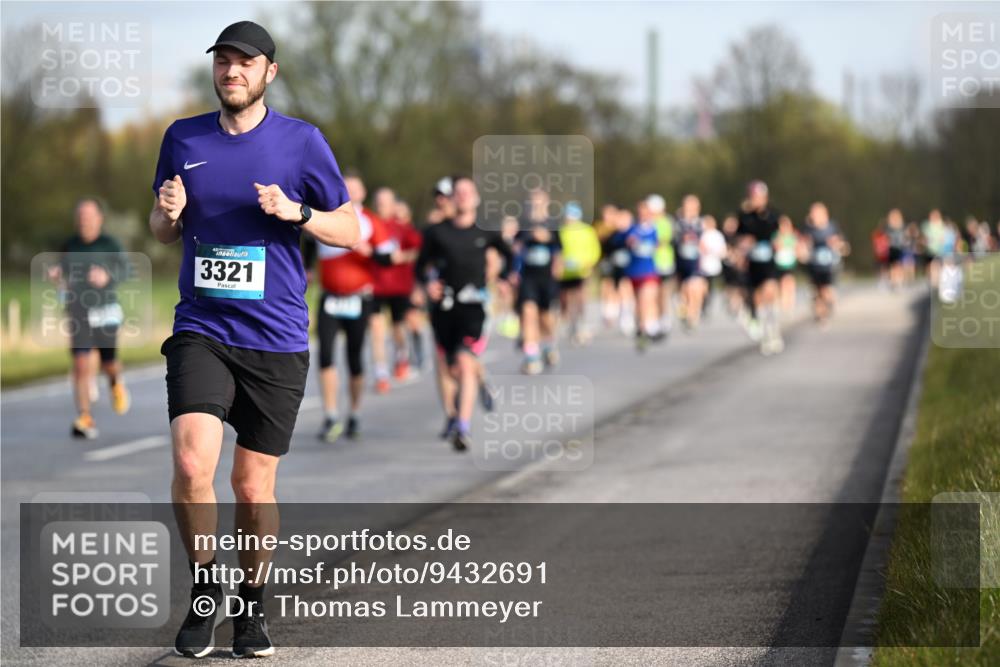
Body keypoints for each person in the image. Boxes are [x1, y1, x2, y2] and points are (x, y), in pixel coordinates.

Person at [150, 22, 359, 658]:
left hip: (276, 336)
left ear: (270, 72)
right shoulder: (182, 137)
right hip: (202, 328)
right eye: (223, 61)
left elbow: (350, 228)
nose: (231, 71)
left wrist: (297, 213)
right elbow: (161, 229)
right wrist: (167, 212)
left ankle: (250, 608)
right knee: (191, 464)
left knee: (251, 486)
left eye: (246, 62)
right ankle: (205, 591)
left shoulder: (301, 142)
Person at [415, 176, 513, 451]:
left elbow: (510, 256)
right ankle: (475, 390)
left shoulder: (487, 231)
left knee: (464, 361)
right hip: (444, 308)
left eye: (468, 192)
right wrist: (427, 285)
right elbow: (421, 267)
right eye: (458, 193)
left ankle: (462, 426)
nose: (463, 197)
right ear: (451, 198)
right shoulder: (436, 232)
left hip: (475, 307)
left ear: (477, 197)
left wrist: (505, 278)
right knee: (449, 367)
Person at [311, 172, 391, 440]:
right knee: (325, 356)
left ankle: (354, 413)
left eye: (355, 188)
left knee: (354, 358)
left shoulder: (372, 222)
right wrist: (307, 269)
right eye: (346, 187)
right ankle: (331, 415)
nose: (350, 191)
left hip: (359, 297)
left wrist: (368, 251)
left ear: (363, 193)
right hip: (330, 296)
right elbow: (310, 243)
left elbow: (387, 259)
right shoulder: (325, 214)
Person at [51, 198, 131, 439]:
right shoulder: (70, 245)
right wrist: (57, 277)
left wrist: (107, 276)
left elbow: (126, 270)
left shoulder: (110, 244)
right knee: (80, 364)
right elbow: (64, 277)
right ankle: (85, 416)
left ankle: (115, 382)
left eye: (89, 217)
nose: (84, 222)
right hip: (79, 311)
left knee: (108, 363)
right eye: (80, 217)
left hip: (106, 310)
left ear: (99, 219)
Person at [370, 187, 423, 389]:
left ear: (393, 204)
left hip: (399, 286)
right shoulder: (371, 224)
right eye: (379, 201)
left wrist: (403, 257)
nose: (382, 205)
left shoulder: (402, 227)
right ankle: (381, 373)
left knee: (397, 327)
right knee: (376, 328)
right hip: (375, 286)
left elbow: (420, 250)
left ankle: (402, 357)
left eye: (386, 201)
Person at [514, 188, 562, 374]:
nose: (536, 205)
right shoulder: (523, 223)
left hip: (547, 278)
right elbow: (516, 249)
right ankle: (532, 357)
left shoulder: (553, 223)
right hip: (528, 277)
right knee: (528, 313)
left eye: (539, 201)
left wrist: (557, 271)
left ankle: (549, 344)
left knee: (546, 318)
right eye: (533, 201)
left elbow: (558, 251)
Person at [737, 180, 783, 355]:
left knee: (770, 290)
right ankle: (765, 332)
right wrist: (743, 245)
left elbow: (780, 235)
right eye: (754, 197)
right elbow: (739, 238)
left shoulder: (773, 215)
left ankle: (774, 330)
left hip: (768, 261)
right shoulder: (744, 216)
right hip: (752, 263)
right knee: (757, 297)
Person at [615, 198, 664, 350]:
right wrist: (626, 240)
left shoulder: (654, 229)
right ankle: (642, 327)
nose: (644, 214)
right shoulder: (632, 229)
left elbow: (658, 245)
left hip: (649, 270)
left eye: (646, 212)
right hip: (634, 271)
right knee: (638, 302)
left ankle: (647, 327)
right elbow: (617, 241)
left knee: (647, 298)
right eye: (641, 211)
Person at [557, 201, 601, 344]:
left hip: (582, 270)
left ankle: (581, 323)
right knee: (565, 299)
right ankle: (570, 323)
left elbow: (595, 249)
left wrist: (589, 263)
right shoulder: (561, 230)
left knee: (580, 297)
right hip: (565, 272)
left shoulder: (587, 230)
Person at [804, 202, 848, 326]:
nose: (814, 216)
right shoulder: (808, 228)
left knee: (826, 291)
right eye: (812, 213)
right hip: (814, 266)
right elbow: (802, 246)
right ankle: (820, 314)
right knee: (817, 292)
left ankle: (827, 308)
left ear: (825, 214)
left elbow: (844, 247)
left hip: (830, 266)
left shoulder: (833, 227)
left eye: (816, 213)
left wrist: (837, 244)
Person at [673, 194, 708, 330]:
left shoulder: (700, 223)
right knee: (685, 289)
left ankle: (693, 315)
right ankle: (685, 309)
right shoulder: (677, 222)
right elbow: (674, 240)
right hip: (681, 261)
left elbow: (704, 240)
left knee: (696, 287)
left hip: (695, 261)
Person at [649, 194, 676, 336]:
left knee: (663, 292)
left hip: (664, 262)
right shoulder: (647, 222)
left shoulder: (666, 222)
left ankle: (665, 318)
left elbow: (662, 241)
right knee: (652, 293)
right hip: (649, 264)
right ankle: (654, 320)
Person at [698, 215, 727, 319]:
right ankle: (702, 302)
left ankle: (706, 302)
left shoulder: (717, 235)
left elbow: (722, 250)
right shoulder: (702, 234)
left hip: (713, 265)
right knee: (703, 284)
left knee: (709, 286)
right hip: (702, 265)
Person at [772, 214, 801, 313]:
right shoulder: (776, 235)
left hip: (790, 262)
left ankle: (790, 301)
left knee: (789, 281)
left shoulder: (794, 235)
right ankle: (783, 301)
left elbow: (797, 247)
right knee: (782, 282)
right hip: (780, 263)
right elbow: (776, 246)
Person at [884, 208, 908, 290]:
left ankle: (899, 281)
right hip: (892, 248)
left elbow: (905, 237)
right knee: (892, 266)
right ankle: (893, 281)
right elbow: (886, 237)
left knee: (899, 265)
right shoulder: (888, 227)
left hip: (900, 248)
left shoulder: (902, 226)